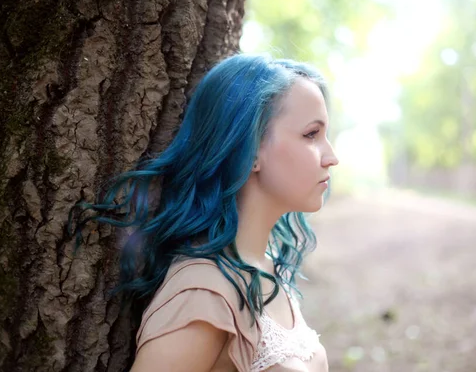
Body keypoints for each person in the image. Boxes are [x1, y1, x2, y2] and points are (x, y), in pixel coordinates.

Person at [68, 53, 339, 371]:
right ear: (248, 149)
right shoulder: (201, 293)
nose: (331, 156)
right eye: (311, 135)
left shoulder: (266, 264)